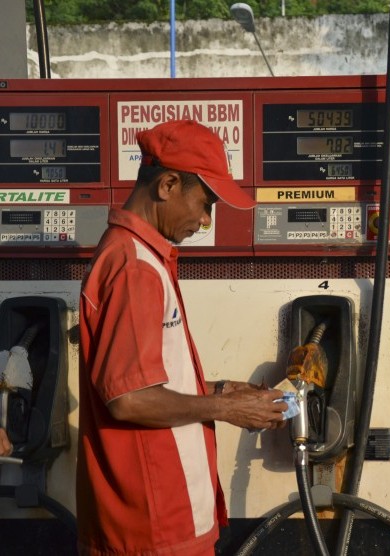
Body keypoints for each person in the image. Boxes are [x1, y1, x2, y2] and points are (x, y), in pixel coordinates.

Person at [76, 119, 288, 556]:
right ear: (168, 184)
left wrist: (222, 390)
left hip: (164, 521)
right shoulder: (134, 266)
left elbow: (148, 379)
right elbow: (129, 399)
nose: (206, 221)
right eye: (205, 203)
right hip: (153, 528)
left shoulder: (144, 257)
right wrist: (225, 408)